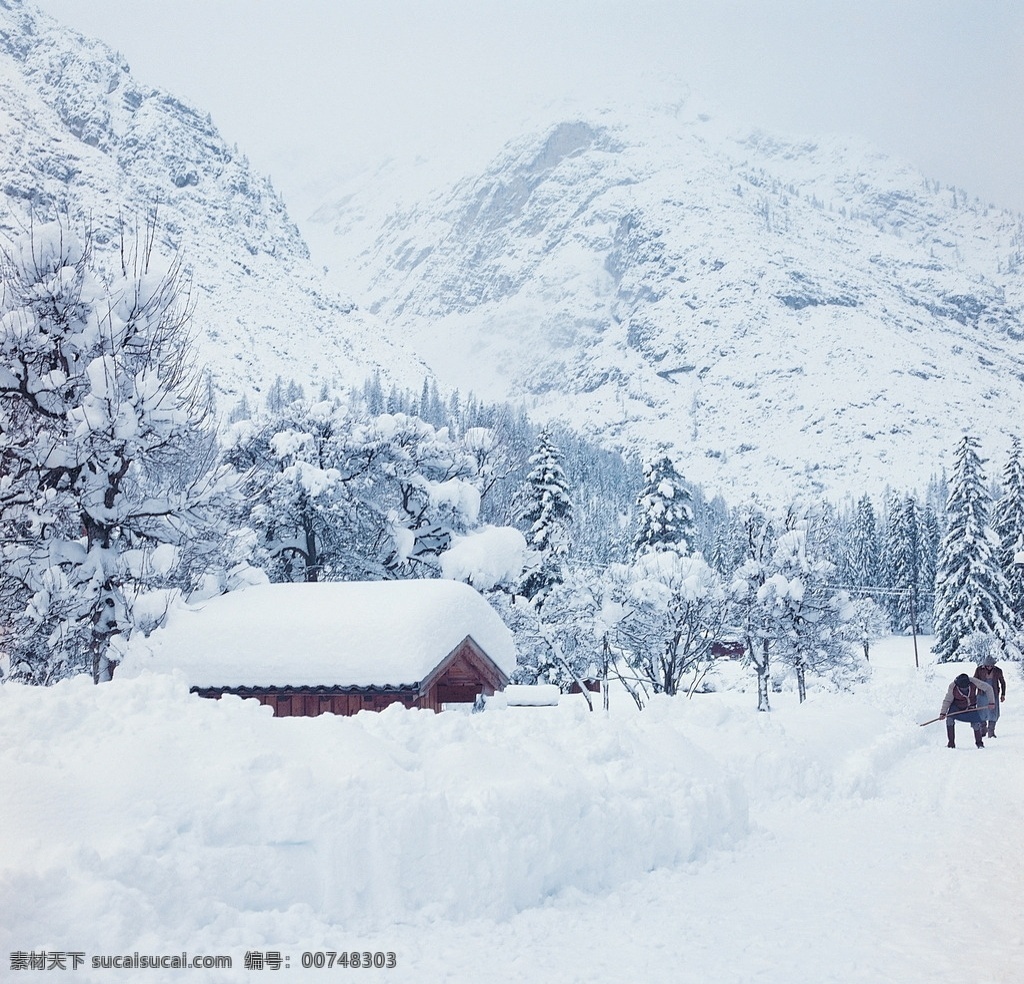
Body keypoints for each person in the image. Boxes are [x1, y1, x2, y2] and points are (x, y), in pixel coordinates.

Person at [939, 673, 995, 748]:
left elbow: (988, 688)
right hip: (956, 707)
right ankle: (951, 744)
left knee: (976, 723)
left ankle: (979, 744)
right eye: (962, 688)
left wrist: (991, 702)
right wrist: (943, 713)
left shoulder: (973, 681)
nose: (964, 689)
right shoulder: (952, 686)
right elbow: (948, 700)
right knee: (949, 719)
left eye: (965, 687)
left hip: (970, 707)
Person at [974, 654, 1007, 737]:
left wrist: (1003, 694)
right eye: (987, 666)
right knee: (981, 712)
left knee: (993, 712)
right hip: (982, 694)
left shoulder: (998, 671)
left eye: (991, 666)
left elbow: (1002, 682)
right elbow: (974, 681)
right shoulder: (979, 670)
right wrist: (973, 695)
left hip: (993, 694)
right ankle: (983, 729)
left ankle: (991, 731)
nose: (989, 667)